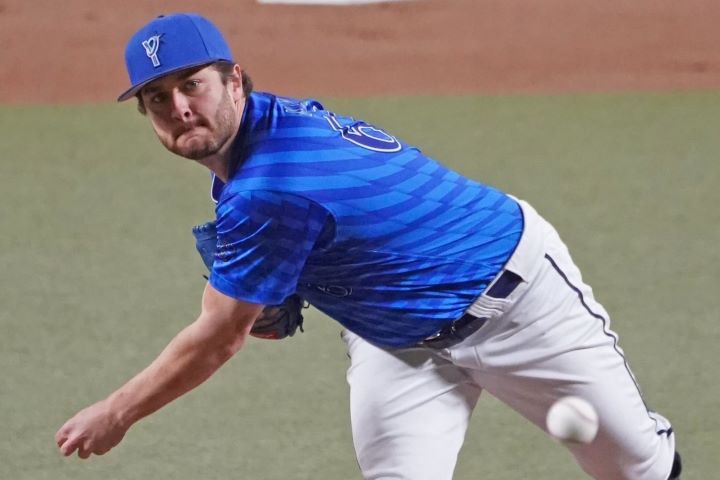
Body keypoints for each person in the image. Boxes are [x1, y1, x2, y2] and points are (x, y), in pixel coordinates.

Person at [55, 12, 682, 479]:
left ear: (234, 81)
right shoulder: (265, 127)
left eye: (192, 85)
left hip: (518, 305)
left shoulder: (268, 189)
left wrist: (116, 412)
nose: (179, 108)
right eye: (157, 98)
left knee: (637, 470)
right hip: (394, 336)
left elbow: (219, 339)